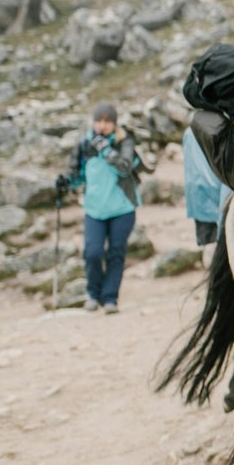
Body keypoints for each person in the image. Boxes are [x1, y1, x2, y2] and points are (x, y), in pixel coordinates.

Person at [58, 102, 142, 313]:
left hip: (122, 208)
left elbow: (124, 168)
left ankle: (110, 298)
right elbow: (77, 176)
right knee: (93, 252)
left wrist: (106, 150)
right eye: (98, 121)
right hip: (94, 209)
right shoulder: (85, 145)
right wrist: (65, 182)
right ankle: (92, 294)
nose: (102, 126)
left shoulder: (124, 142)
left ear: (114, 124)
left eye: (107, 121)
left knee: (116, 252)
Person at [182, 126, 230, 246]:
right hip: (216, 195)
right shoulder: (222, 128)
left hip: (198, 197)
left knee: (208, 246)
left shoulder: (190, 132)